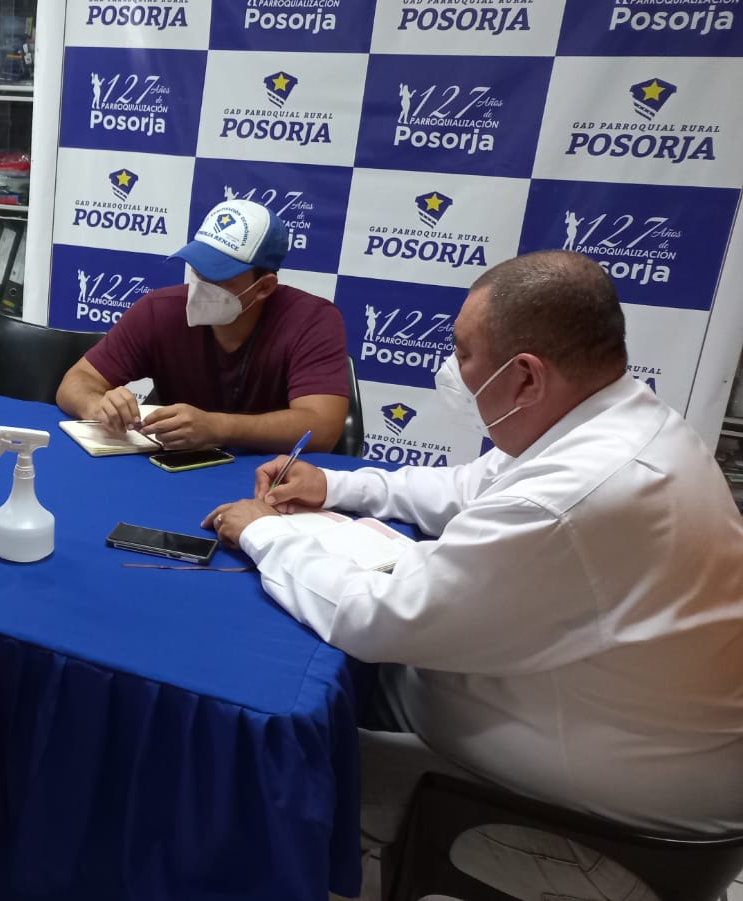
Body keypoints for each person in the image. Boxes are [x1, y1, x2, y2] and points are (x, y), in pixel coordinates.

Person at [206, 251, 743, 898]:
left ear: (526, 377)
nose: (452, 368)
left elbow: (374, 619)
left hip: (603, 829)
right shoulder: (612, 418)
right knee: (347, 690)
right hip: (600, 742)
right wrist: (338, 485)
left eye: (463, 351)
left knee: (270, 768)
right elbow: (472, 485)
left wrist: (261, 531)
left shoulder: (573, 496)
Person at [55, 199, 350, 454]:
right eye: (197, 270)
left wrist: (217, 428)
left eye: (220, 277)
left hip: (270, 475)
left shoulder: (313, 320)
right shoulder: (159, 310)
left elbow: (322, 429)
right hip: (176, 468)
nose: (201, 285)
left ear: (264, 287)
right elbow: (76, 382)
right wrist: (97, 407)